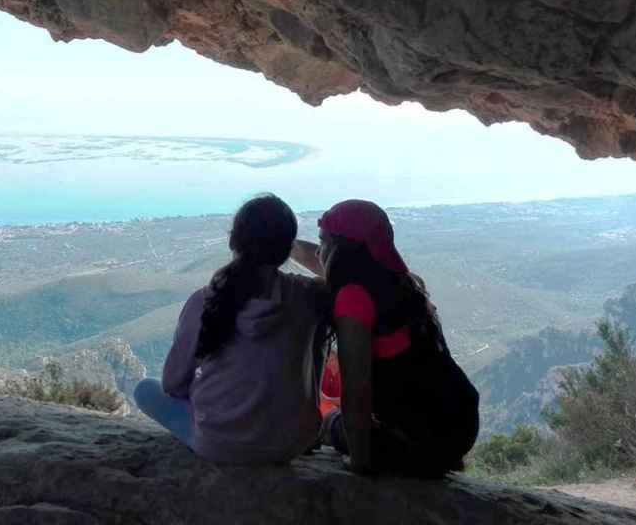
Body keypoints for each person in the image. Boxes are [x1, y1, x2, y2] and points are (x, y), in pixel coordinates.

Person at [133, 194, 327, 465]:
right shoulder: (310, 296)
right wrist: (290, 247)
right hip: (292, 443)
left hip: (220, 445)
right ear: (285, 248)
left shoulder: (205, 301)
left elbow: (173, 384)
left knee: (144, 389)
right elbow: (340, 275)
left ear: (233, 240)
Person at [290, 199, 479, 476]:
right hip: (460, 424)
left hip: (418, 441)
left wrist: (359, 461)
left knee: (330, 421)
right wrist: (281, 243)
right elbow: (322, 259)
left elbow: (357, 388)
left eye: (324, 241)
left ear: (341, 250)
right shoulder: (401, 281)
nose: (319, 250)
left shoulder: (353, 300)